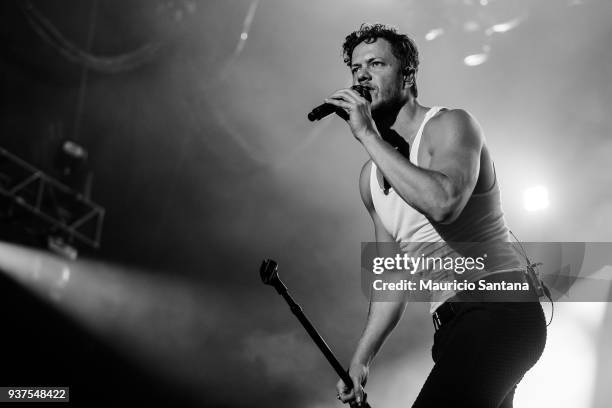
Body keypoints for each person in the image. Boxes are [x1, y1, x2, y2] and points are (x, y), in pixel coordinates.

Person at [324, 23, 547, 407]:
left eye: (376, 64)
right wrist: (362, 358)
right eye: (356, 68)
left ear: (408, 74)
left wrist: (368, 136)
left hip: (499, 308)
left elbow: (444, 203)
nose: (362, 75)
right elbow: (392, 276)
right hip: (451, 326)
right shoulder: (372, 179)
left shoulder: (451, 125)